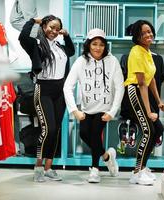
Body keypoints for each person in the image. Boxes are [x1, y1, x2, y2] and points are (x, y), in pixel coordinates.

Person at [63, 28, 124, 183]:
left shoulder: (112, 61)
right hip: (86, 108)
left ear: (105, 46)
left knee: (96, 134)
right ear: (88, 44)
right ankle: (107, 157)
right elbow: (67, 86)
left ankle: (95, 169)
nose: (98, 48)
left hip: (104, 108)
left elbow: (120, 87)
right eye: (94, 44)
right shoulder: (81, 61)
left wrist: (112, 111)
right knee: (84, 134)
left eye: (101, 44)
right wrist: (74, 110)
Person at [18, 15, 75, 182]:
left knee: (56, 129)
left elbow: (70, 51)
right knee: (47, 129)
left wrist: (67, 36)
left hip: (60, 91)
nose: (54, 31)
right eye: (51, 27)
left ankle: (49, 168)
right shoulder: (36, 44)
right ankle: (38, 168)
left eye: (57, 28)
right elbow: (22, 37)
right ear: (43, 27)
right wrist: (33, 21)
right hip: (43, 90)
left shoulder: (59, 45)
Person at [123, 20, 164, 185]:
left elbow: (152, 80)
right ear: (137, 37)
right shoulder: (136, 52)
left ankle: (142, 167)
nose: (148, 35)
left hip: (143, 91)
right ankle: (136, 172)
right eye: (144, 33)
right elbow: (141, 84)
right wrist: (149, 112)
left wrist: (159, 101)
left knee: (158, 130)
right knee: (148, 130)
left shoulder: (147, 52)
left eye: (150, 31)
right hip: (134, 91)